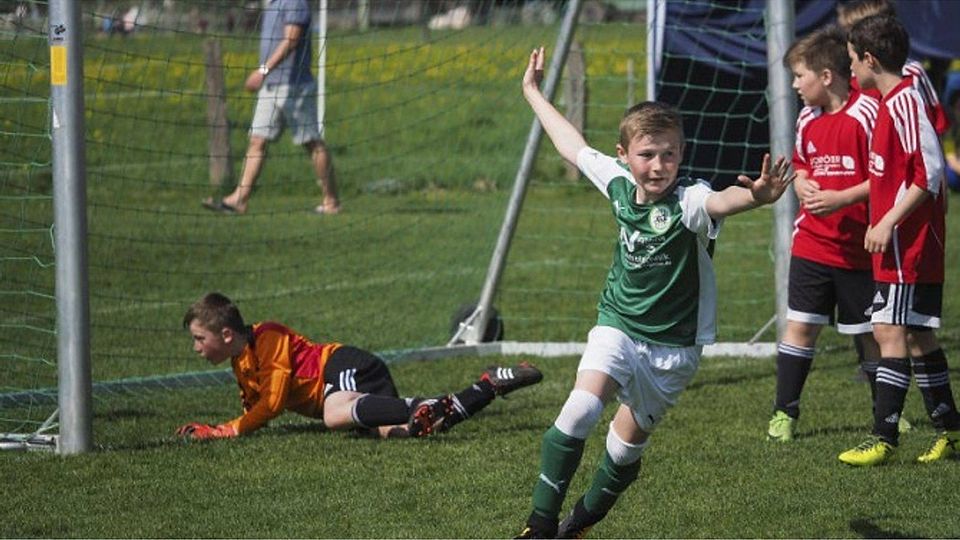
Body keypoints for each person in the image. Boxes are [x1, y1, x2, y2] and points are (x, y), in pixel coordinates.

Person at [515, 47, 794, 539]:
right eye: (647, 154)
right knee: (580, 409)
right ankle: (539, 527)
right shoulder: (619, 184)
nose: (658, 165)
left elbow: (720, 200)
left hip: (674, 349)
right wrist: (533, 91)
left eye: (669, 154)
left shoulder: (689, 202)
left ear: (681, 155)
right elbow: (570, 145)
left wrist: (757, 195)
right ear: (624, 155)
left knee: (623, 454)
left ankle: (573, 526)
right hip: (618, 324)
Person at [838, 15, 960, 466]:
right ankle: (951, 430)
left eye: (852, 61)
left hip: (907, 246)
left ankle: (882, 437)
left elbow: (927, 173)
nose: (850, 70)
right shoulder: (889, 104)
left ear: (870, 59)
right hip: (902, 245)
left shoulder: (906, 102)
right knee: (917, 337)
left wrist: (888, 220)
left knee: (888, 329)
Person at [176, 292, 543, 440]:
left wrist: (223, 431)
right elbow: (254, 408)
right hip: (347, 394)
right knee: (407, 430)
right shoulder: (240, 361)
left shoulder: (267, 337)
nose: (196, 347)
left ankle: (425, 400)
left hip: (345, 366)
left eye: (199, 338)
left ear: (226, 334)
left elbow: (270, 405)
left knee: (335, 415)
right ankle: (489, 385)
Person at [765, 26, 884, 442]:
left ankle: (886, 411)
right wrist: (800, 181)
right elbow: (801, 162)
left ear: (827, 76)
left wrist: (842, 198)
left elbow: (888, 177)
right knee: (800, 327)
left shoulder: (867, 114)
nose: (795, 85)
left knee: (871, 335)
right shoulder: (806, 117)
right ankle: (784, 414)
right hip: (812, 244)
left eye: (800, 76)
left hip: (861, 248)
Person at [202, 0, 339, 215]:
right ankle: (240, 199)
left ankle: (331, 202)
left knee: (312, 142)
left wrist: (262, 71)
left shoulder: (295, 1)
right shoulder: (273, 3)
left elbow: (291, 39)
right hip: (271, 84)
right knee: (257, 140)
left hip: (294, 86)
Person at [836, 0, 950, 137]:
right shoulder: (848, 80)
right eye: (847, 35)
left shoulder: (911, 72)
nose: (849, 42)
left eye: (853, 34)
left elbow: (936, 126)